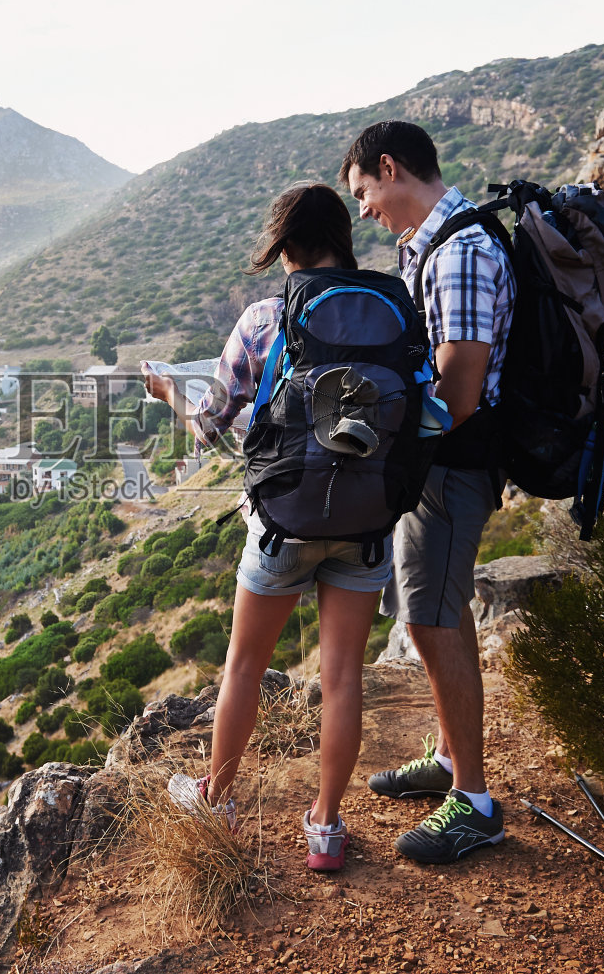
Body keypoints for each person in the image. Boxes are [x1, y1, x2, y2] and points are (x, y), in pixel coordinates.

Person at [141, 182, 389, 873]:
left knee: (245, 664)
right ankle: (327, 826)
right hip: (368, 516)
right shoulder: (392, 308)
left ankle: (216, 796)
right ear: (344, 237)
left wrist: (167, 391)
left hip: (284, 518)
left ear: (283, 247)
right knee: (342, 675)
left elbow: (211, 423)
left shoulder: (264, 317)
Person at [339, 120, 514, 863]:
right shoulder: (429, 248)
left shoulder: (464, 252)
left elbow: (462, 390)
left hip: (454, 465)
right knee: (423, 609)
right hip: (434, 464)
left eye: (364, 193)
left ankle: (472, 800)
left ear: (390, 168)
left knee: (437, 616)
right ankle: (446, 756)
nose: (364, 211)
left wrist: (385, 429)